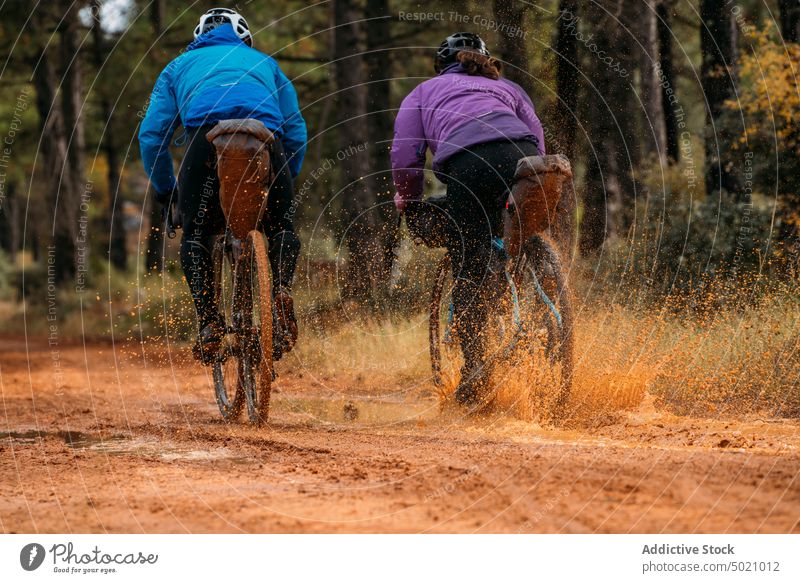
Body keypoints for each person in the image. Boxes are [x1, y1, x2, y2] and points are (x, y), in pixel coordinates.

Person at [138, 8, 306, 362]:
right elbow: (296, 130)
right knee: (282, 227)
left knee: (197, 234)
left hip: (205, 140)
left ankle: (209, 323)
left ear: (198, 37)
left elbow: (152, 136)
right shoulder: (265, 63)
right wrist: (285, 178)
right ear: (244, 38)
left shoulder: (177, 67)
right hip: (267, 140)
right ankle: (281, 293)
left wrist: (168, 190)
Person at [391, 32, 545, 407]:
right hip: (524, 157)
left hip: (469, 164)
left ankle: (476, 376)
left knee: (469, 267)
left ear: (441, 65)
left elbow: (405, 154)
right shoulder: (508, 88)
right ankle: (542, 296)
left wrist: (408, 198)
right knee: (521, 234)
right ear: (484, 60)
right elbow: (538, 137)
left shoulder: (425, 92)